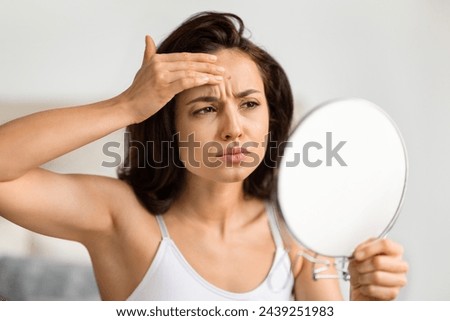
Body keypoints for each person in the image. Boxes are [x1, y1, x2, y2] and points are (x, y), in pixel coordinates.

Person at [0, 11, 408, 301]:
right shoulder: (121, 218)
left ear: (272, 118)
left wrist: (367, 304)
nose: (234, 127)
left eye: (249, 104)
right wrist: (127, 105)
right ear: (169, 126)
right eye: (206, 109)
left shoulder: (297, 236)